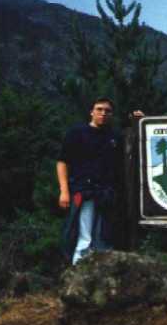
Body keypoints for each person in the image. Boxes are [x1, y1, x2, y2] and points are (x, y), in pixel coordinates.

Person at [56, 97, 143, 265]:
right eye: (99, 109)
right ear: (91, 112)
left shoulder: (115, 137)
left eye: (107, 111)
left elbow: (135, 144)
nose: (103, 113)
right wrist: (64, 191)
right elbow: (62, 162)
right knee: (83, 234)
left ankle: (100, 272)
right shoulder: (77, 133)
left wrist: (139, 123)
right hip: (83, 191)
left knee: (104, 235)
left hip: (107, 194)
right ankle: (79, 270)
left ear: (111, 114)